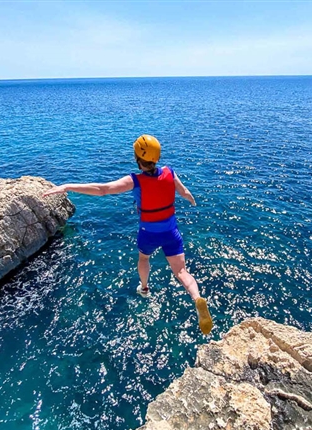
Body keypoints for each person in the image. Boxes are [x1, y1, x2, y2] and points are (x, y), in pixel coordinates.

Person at [42, 135, 213, 335]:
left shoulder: (135, 180)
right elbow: (183, 192)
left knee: (144, 258)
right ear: (157, 156)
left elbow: (103, 189)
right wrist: (191, 200)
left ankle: (145, 288)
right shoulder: (169, 172)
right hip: (170, 232)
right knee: (182, 272)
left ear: (137, 158)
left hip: (148, 233)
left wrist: (68, 186)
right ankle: (196, 298)